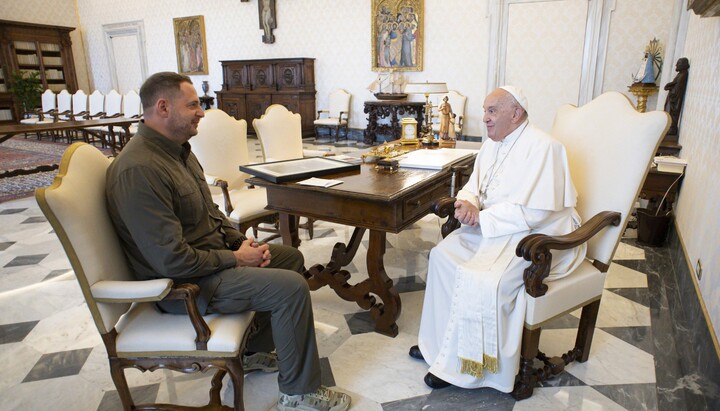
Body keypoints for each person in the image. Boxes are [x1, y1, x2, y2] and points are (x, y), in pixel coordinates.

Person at [106, 72, 351, 411]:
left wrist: (240, 243)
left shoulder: (178, 151)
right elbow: (171, 261)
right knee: (291, 288)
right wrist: (235, 259)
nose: (201, 113)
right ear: (162, 108)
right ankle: (299, 396)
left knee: (289, 257)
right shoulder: (139, 169)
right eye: (192, 105)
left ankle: (250, 354)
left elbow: (211, 213)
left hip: (207, 263)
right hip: (183, 287)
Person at [409, 86, 586, 393]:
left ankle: (470, 367)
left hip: (535, 239)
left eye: (492, 111)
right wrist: (466, 203)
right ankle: (438, 347)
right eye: (485, 110)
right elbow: (474, 185)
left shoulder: (545, 147)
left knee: (482, 278)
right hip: (495, 229)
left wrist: (482, 218)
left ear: (515, 113)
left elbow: (538, 212)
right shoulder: (492, 143)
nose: (485, 118)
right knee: (441, 256)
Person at [663, 57, 689, 136]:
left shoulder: (683, 75)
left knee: (671, 115)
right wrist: (670, 85)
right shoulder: (680, 74)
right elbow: (675, 84)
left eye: (678, 63)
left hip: (674, 101)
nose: (676, 65)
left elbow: (677, 91)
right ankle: (668, 127)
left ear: (683, 65)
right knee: (667, 113)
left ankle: (671, 129)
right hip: (672, 99)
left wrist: (669, 86)